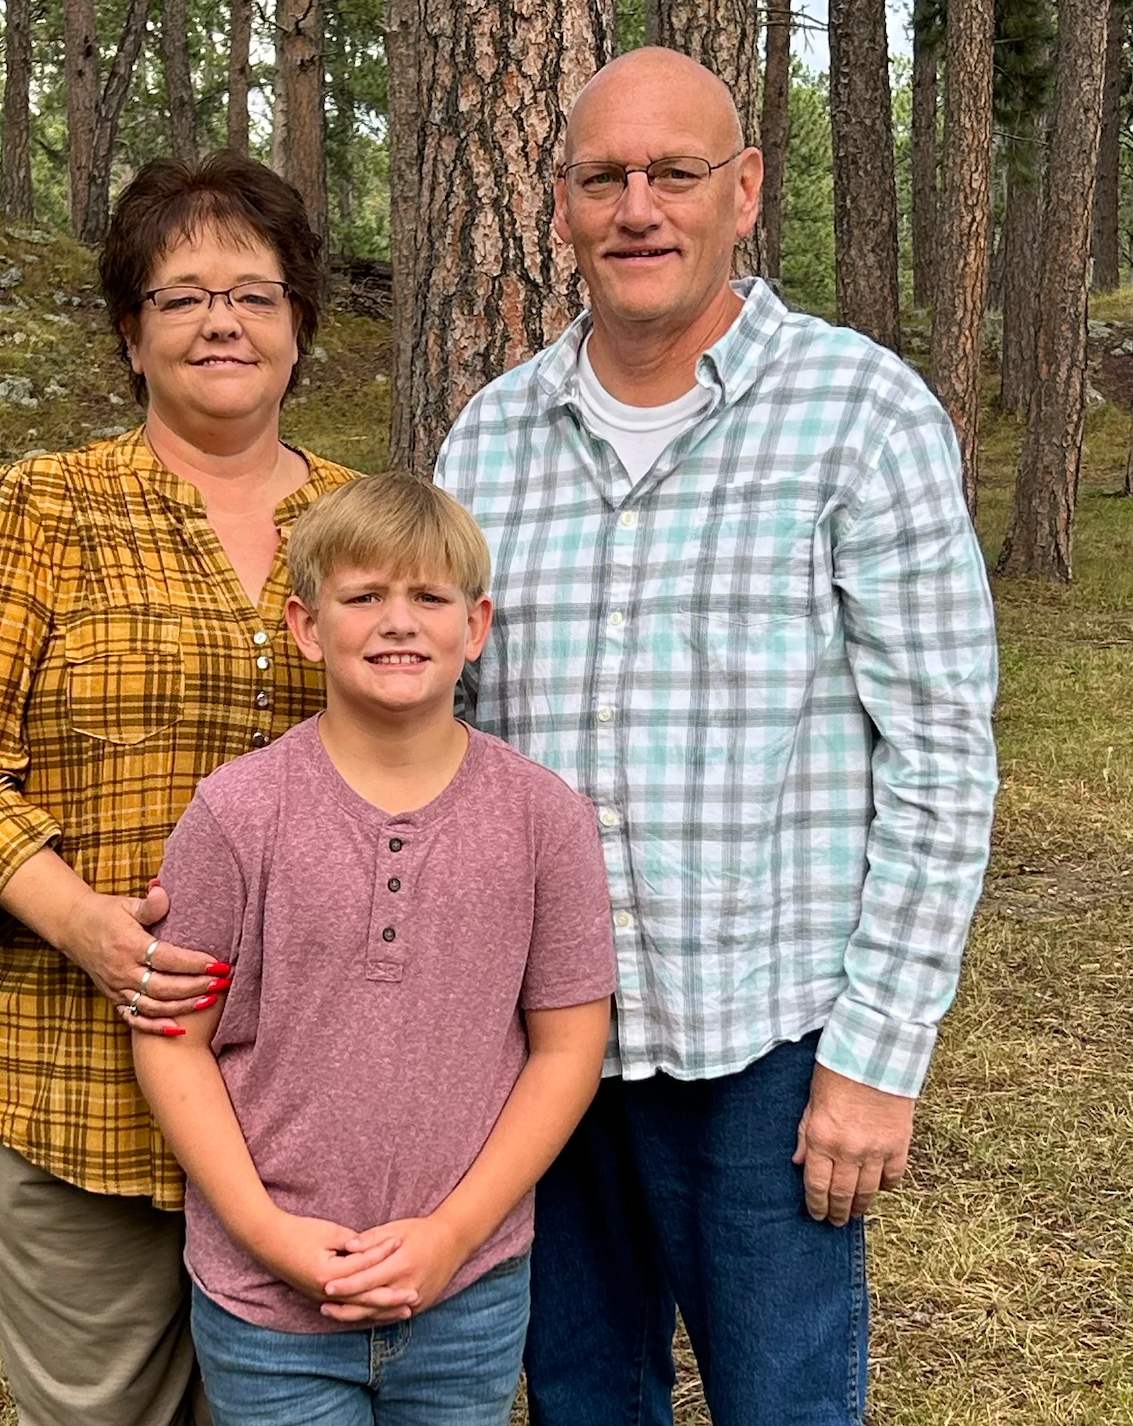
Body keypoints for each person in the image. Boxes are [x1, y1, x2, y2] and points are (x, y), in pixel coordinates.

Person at [434, 48, 999, 1426]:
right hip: (542, 1044)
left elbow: (940, 758)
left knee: (782, 1401)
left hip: (767, 1039)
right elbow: (445, 747)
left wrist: (875, 1056)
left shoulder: (861, 414)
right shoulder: (489, 440)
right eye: (603, 178)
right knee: (580, 1395)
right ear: (560, 204)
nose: (637, 207)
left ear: (742, 191)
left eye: (674, 173)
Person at [0, 151, 364, 1426]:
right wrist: (91, 927)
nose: (223, 322)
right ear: (130, 331)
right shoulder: (38, 508)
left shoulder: (364, 523)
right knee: (105, 1406)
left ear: (299, 324)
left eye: (255, 294)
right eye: (183, 296)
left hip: (303, 1089)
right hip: (75, 1073)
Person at [131, 474, 617, 1426]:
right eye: (363, 596)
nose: (398, 621)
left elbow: (568, 1047)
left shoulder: (545, 821)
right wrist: (267, 1234)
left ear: (475, 626)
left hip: (467, 1295)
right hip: (266, 1306)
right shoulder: (236, 813)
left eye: (428, 596)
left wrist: (452, 1235)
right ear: (307, 626)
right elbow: (174, 1040)